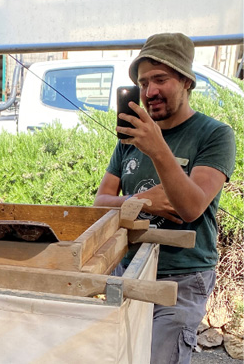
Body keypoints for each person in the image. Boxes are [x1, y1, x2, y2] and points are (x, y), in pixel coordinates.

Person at [93, 33, 236, 364]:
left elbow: (191, 207)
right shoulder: (130, 137)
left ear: (186, 81)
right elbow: (99, 203)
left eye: (160, 79)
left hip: (182, 277)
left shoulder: (214, 134)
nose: (149, 92)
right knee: (122, 357)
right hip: (129, 267)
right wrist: (143, 201)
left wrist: (158, 149)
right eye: (143, 83)